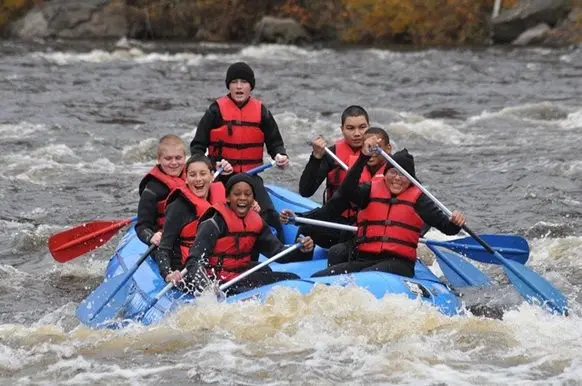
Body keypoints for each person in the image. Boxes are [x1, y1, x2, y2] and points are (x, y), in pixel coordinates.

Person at [311, 138, 466, 278]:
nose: (397, 178)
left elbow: (448, 228)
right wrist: (363, 157)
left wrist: (455, 221)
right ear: (385, 174)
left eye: (403, 175)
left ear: (411, 180)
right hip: (364, 259)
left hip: (399, 263)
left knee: (366, 277)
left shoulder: (420, 200)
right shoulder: (369, 190)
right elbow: (347, 190)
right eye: (393, 172)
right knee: (321, 277)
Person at [190, 61, 288, 242]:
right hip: (223, 178)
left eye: (244, 82)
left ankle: (280, 252)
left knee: (269, 216)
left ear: (251, 86)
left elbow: (275, 144)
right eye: (234, 82)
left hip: (251, 177)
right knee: (216, 217)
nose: (239, 86)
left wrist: (280, 156)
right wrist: (213, 164)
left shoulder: (262, 112)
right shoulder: (215, 111)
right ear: (229, 85)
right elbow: (197, 148)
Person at [173, 174, 314, 295]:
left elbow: (278, 252)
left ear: (253, 199)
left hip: (239, 275)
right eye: (237, 194)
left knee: (287, 276)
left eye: (248, 194)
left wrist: (302, 249)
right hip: (217, 281)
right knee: (281, 278)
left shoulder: (257, 222)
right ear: (227, 197)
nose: (242, 198)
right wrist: (207, 290)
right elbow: (193, 262)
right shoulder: (213, 224)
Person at [281, 127, 392, 254]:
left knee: (337, 252)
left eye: (376, 148)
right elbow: (331, 208)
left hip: (386, 236)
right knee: (307, 229)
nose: (372, 153)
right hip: (356, 231)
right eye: (368, 148)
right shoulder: (357, 177)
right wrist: (298, 218)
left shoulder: (398, 176)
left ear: (388, 148)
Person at [155, 155, 228, 283]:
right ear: (186, 179)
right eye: (193, 175)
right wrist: (168, 273)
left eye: (203, 174)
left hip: (217, 265)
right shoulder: (178, 207)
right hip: (187, 268)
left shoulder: (223, 199)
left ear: (211, 176)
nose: (198, 179)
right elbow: (163, 249)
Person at [298, 105, 369, 201]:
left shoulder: (378, 154)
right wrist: (316, 157)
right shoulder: (331, 154)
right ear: (342, 129)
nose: (357, 133)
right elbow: (305, 191)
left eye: (362, 127)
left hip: (368, 215)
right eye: (350, 128)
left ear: (369, 127)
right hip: (335, 214)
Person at [136, 134, 187, 247]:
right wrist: (151, 237)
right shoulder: (151, 190)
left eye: (178, 158)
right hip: (166, 243)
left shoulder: (194, 177)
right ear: (158, 159)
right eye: (168, 158)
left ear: (185, 157)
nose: (174, 163)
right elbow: (142, 226)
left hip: (191, 238)